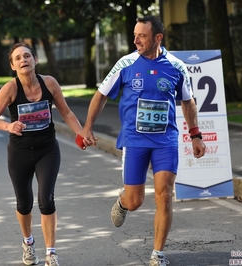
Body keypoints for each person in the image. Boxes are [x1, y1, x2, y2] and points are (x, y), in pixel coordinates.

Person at [78, 16, 206, 266]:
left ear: (158, 37)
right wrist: (87, 128)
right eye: (135, 35)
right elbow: (101, 95)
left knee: (165, 194)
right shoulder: (126, 63)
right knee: (136, 200)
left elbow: (187, 101)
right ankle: (124, 201)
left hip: (165, 140)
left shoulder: (177, 66)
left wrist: (195, 135)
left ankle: (157, 255)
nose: (135, 40)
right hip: (135, 140)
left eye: (142, 36)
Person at [0, 42, 85, 266]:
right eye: (18, 58)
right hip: (19, 152)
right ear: (13, 65)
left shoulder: (49, 83)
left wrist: (81, 134)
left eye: (27, 56)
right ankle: (28, 243)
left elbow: (66, 112)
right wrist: (8, 126)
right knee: (24, 203)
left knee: (46, 200)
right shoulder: (10, 89)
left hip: (47, 149)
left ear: (35, 60)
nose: (23, 60)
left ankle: (51, 253)